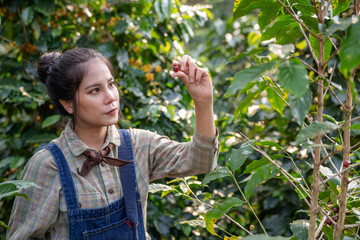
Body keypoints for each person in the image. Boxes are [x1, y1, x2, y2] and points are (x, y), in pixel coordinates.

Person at [7, 48, 219, 239]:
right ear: (68, 104)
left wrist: (203, 101)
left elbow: (200, 162)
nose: (111, 97)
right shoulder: (49, 165)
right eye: (95, 90)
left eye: (111, 84)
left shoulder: (137, 144)